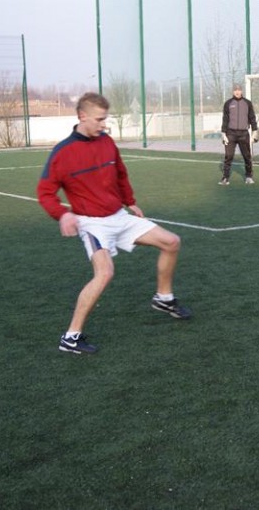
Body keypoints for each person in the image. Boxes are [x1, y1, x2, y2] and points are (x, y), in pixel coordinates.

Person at [37, 92, 192, 355]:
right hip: (92, 223)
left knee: (171, 242)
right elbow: (45, 192)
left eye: (105, 119)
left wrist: (129, 200)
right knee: (105, 273)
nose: (103, 124)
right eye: (99, 119)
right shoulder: (62, 153)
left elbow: (120, 173)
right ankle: (71, 336)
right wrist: (62, 214)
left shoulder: (107, 142)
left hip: (119, 216)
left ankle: (164, 299)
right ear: (82, 116)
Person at [220, 84, 258, 185]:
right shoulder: (228, 103)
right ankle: (225, 178)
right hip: (230, 133)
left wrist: (255, 131)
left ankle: (249, 176)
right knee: (228, 156)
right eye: (235, 90)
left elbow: (252, 118)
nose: (237, 92)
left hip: (244, 134)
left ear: (242, 91)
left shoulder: (247, 103)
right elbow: (225, 119)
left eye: (239, 90)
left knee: (247, 156)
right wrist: (223, 133)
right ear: (233, 91)